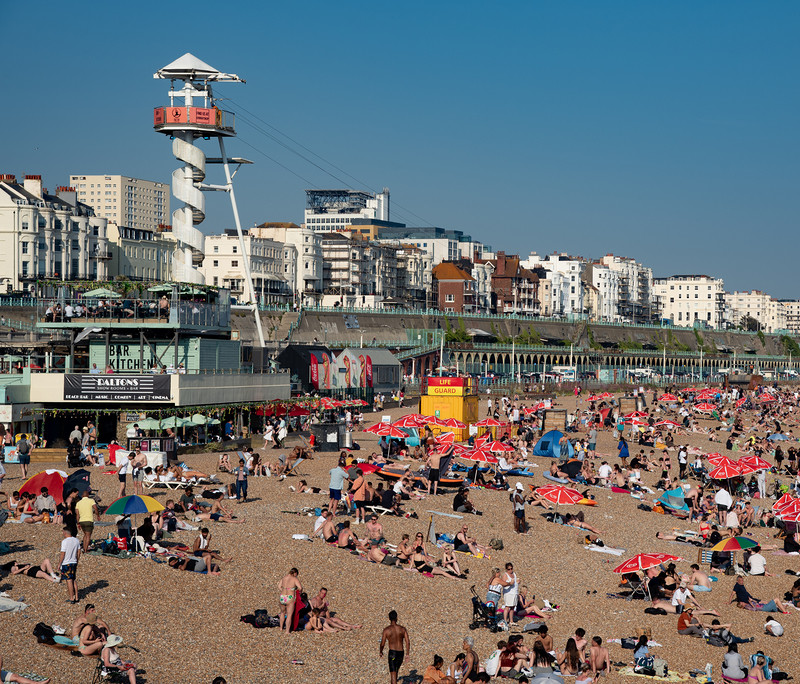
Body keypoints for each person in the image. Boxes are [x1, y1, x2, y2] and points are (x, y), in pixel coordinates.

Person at [380, 610, 410, 684]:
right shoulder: (402, 629)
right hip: (401, 653)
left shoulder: (386, 630)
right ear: (397, 618)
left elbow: (382, 643)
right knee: (395, 672)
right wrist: (407, 654)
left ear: (389, 618)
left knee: (393, 675)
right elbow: (407, 642)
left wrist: (381, 651)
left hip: (392, 654)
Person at [59, 526, 81, 604]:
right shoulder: (76, 540)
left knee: (69, 580)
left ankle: (71, 598)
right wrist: (77, 560)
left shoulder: (64, 541)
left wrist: (59, 563)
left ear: (65, 533)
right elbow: (79, 552)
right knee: (73, 579)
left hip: (66, 562)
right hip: (74, 562)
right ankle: (77, 597)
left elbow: (62, 553)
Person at [277, 568, 302, 634]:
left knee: (282, 612)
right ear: (295, 573)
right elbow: (300, 588)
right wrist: (297, 592)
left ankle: (281, 628)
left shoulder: (284, 578)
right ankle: (287, 631)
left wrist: (284, 591)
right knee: (289, 615)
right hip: (289, 597)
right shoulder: (294, 579)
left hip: (282, 596)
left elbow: (279, 586)